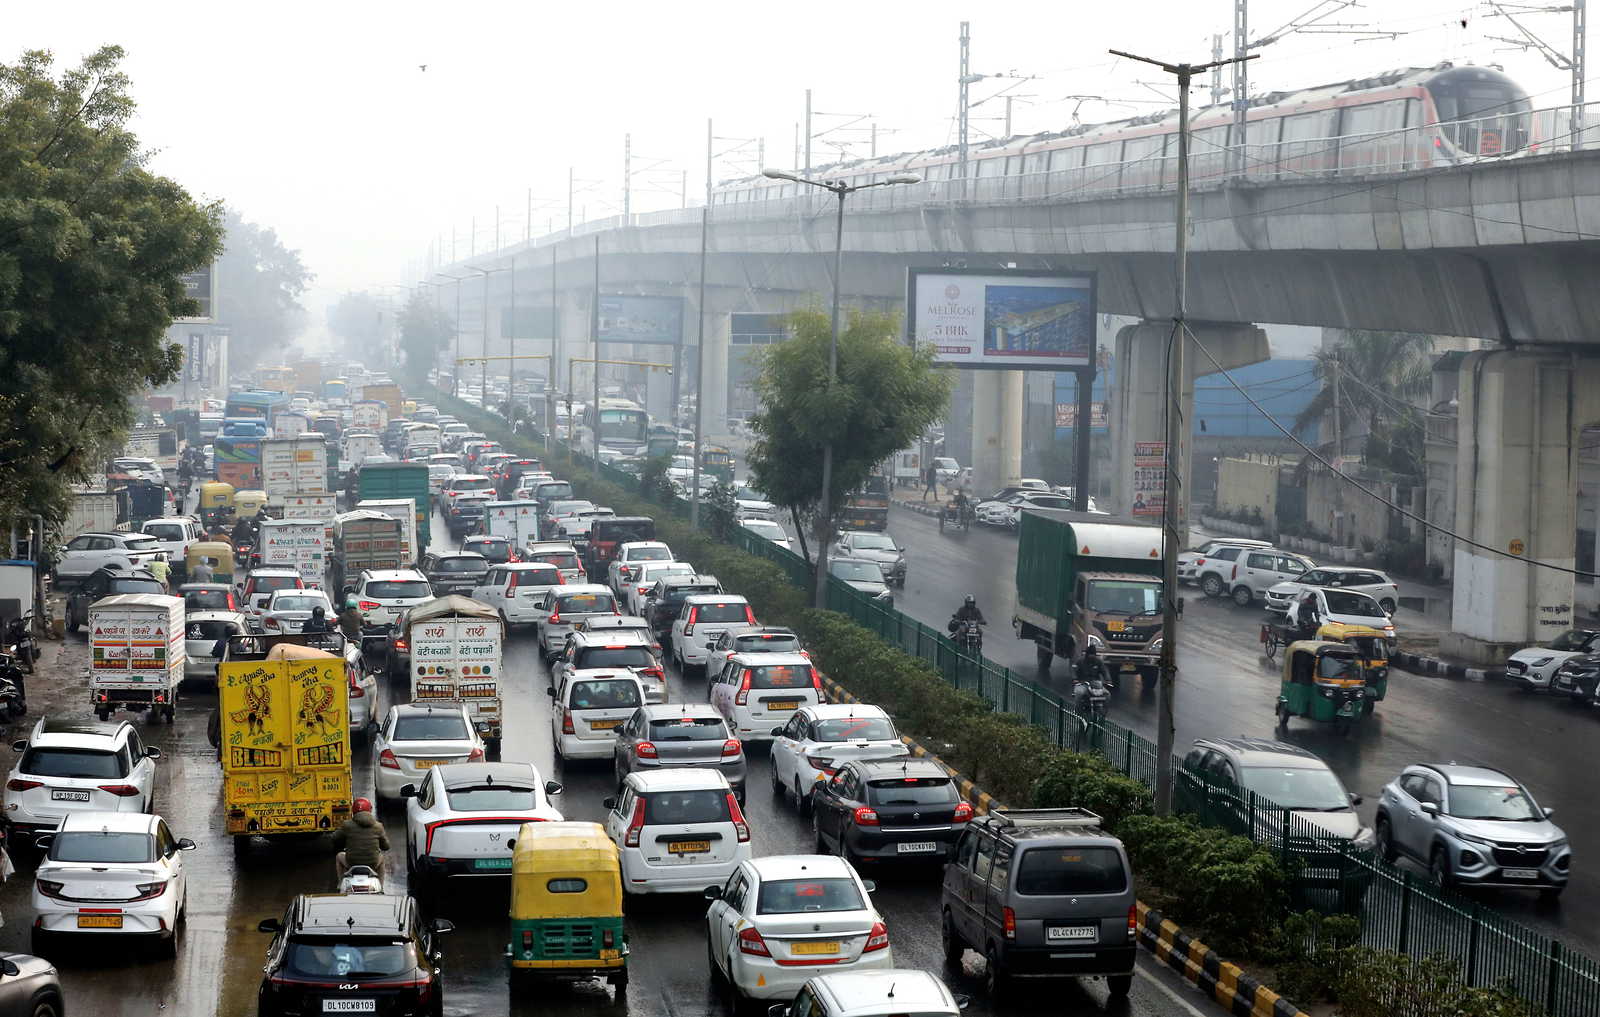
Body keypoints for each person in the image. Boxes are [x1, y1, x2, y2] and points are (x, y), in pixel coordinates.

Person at [332, 797, 389, 884]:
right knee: (381, 857)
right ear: (369, 810)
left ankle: (340, 883)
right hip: (372, 864)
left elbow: (334, 838)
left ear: (353, 810)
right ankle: (380, 886)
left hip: (351, 863)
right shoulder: (378, 826)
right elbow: (386, 846)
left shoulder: (347, 825)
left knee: (339, 856)